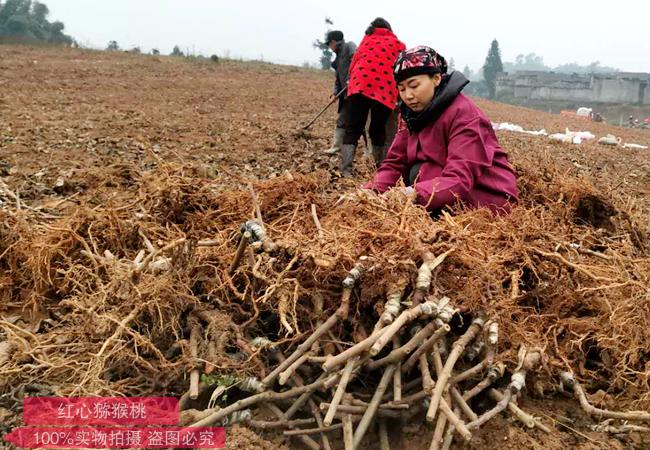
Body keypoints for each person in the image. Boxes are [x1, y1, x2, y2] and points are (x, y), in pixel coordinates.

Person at [364, 46, 518, 215]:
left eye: (414, 86)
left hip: (486, 197)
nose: (408, 95)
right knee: (417, 171)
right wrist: (370, 192)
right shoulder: (410, 115)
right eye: (401, 89)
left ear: (436, 78)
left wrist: (409, 195)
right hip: (439, 189)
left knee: (422, 171)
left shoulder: (464, 115)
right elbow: (395, 162)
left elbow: (459, 178)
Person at [339, 18, 406, 176]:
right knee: (377, 129)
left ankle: (345, 170)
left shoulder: (367, 39)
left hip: (359, 85)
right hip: (384, 89)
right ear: (389, 29)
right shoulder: (398, 44)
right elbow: (402, 68)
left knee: (353, 127)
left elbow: (354, 62)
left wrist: (351, 80)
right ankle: (379, 169)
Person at [323, 30, 356, 155]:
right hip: (345, 95)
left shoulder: (349, 46)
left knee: (360, 123)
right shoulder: (337, 60)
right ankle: (336, 147)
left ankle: (368, 152)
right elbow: (337, 80)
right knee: (342, 121)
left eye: (329, 45)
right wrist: (334, 93)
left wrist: (351, 78)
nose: (330, 48)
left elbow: (357, 60)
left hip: (356, 93)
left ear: (333, 42)